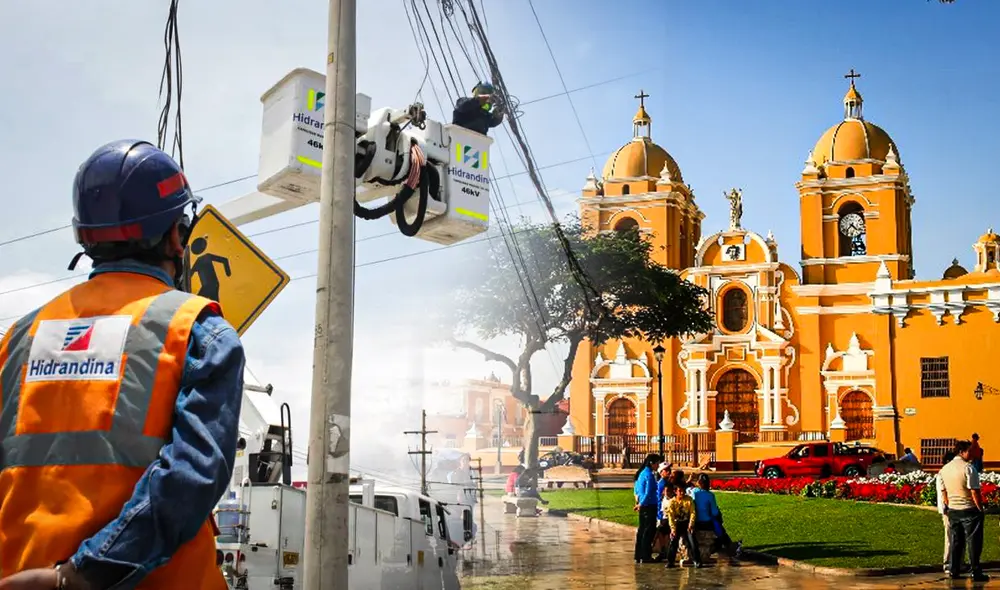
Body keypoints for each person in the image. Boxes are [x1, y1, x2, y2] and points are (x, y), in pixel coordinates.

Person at [0, 140, 245, 589]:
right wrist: (80, 576)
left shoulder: (18, 338)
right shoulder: (198, 331)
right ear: (175, 237)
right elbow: (191, 478)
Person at [939, 440, 989, 582]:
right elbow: (974, 491)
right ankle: (976, 571)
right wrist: (980, 508)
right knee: (973, 541)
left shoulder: (945, 469)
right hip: (968, 509)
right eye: (970, 451)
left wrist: (950, 506)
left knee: (956, 541)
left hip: (954, 509)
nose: (972, 453)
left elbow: (944, 492)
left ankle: (954, 569)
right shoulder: (968, 468)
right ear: (962, 452)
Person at [664, 484, 701, 569]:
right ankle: (670, 561)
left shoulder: (689, 500)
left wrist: (691, 525)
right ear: (675, 492)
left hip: (686, 523)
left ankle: (697, 560)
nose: (682, 493)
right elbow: (671, 516)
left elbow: (692, 513)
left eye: (683, 491)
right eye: (679, 491)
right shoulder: (672, 502)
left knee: (692, 540)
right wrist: (673, 529)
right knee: (673, 540)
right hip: (677, 523)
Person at [632, 453, 661, 564]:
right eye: (657, 463)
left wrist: (638, 501)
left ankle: (638, 554)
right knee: (648, 531)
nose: (658, 465)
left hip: (643, 505)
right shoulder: (649, 475)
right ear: (652, 463)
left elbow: (637, 490)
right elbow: (648, 492)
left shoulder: (641, 473)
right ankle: (646, 555)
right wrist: (641, 504)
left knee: (642, 530)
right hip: (649, 505)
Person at [936, 451, 957, 574]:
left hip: (951, 508)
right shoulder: (943, 473)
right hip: (948, 509)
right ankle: (948, 562)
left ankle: (956, 562)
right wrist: (947, 506)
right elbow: (944, 492)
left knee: (955, 536)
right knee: (950, 536)